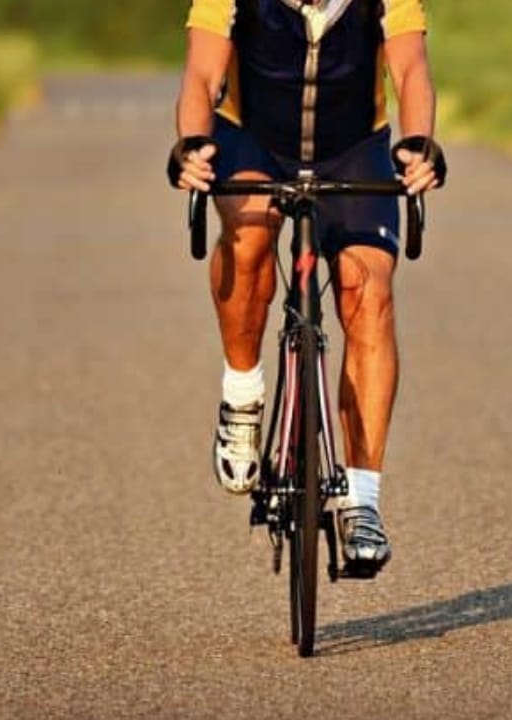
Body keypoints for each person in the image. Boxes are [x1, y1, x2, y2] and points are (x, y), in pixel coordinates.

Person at [167, 0, 446, 577]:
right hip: (254, 144)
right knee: (248, 235)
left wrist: (418, 143)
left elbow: (411, 68)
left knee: (369, 288)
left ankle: (363, 499)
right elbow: (201, 75)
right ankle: (243, 394)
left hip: (353, 148)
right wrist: (193, 144)